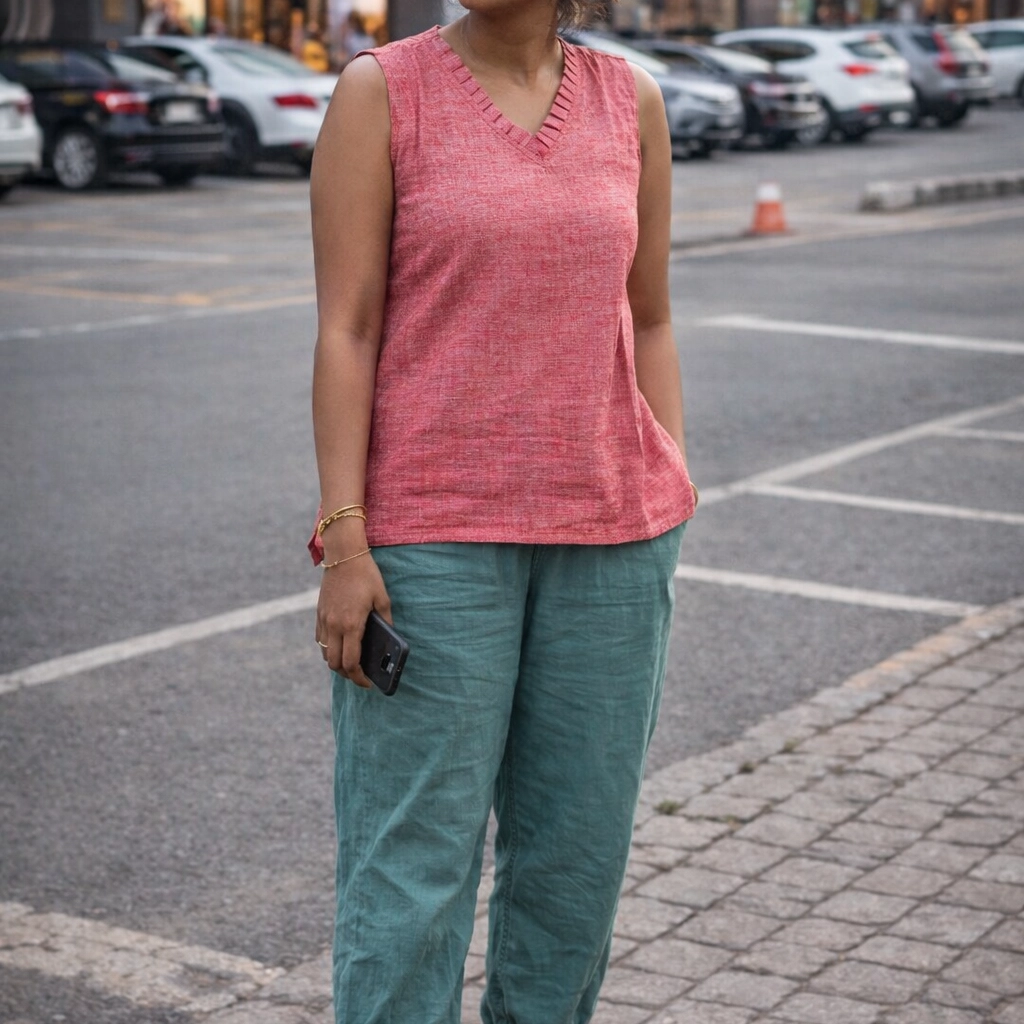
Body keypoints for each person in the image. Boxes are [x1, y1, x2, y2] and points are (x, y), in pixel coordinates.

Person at [309, 1, 698, 1021]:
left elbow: (648, 312)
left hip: (614, 542)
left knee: (574, 867)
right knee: (408, 873)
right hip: (429, 543)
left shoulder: (631, 99)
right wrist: (344, 538)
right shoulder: (379, 92)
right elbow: (346, 328)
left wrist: (670, 483)